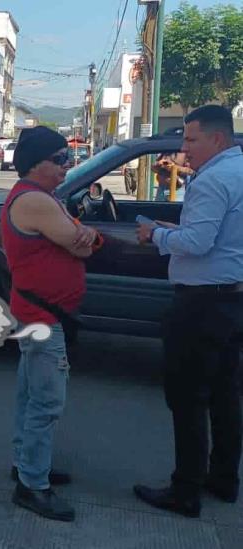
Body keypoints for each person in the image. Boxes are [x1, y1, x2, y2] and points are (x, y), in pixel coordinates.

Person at [135, 105, 243, 518]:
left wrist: (156, 234)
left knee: (188, 398)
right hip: (232, 300)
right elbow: (218, 237)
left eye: (191, 140)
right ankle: (224, 479)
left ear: (217, 140)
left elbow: (197, 244)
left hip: (202, 304)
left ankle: (186, 491)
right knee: (225, 395)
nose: (184, 150)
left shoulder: (213, 179)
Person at [0, 126, 102, 522]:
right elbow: (80, 242)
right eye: (60, 160)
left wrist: (82, 236)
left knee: (30, 394)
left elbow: (78, 239)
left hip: (39, 312)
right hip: (43, 316)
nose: (67, 166)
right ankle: (32, 486)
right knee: (46, 401)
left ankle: (26, 463)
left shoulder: (41, 197)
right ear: (35, 164)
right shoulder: (36, 202)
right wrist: (85, 236)